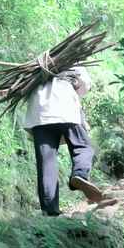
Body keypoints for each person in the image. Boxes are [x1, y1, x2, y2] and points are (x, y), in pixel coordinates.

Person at [24, 66, 103, 216]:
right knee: (83, 146)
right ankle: (79, 174)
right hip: (64, 106)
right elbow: (84, 85)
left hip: (39, 113)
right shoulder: (75, 67)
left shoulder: (37, 71)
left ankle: (50, 211)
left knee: (46, 164)